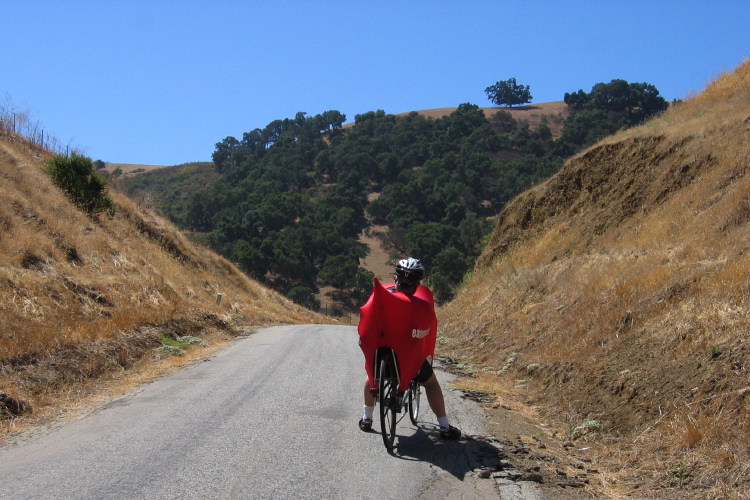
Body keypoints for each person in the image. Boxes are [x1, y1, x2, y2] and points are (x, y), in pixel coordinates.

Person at [358, 257, 461, 440]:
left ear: (395, 277)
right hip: (410, 361)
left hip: (382, 353)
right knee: (431, 383)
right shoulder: (420, 305)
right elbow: (425, 330)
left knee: (372, 376)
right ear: (417, 283)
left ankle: (366, 418)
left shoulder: (380, 295)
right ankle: (444, 426)